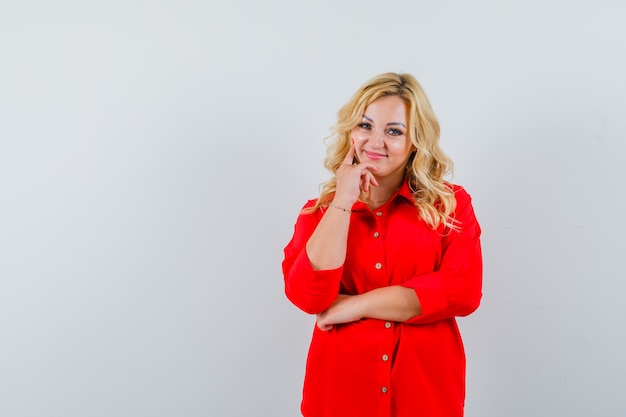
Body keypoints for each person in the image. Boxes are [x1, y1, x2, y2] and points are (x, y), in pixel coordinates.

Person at [282, 72, 482, 417]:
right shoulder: (320, 214)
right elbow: (307, 295)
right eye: (365, 126)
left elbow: (463, 291)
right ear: (350, 132)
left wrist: (354, 306)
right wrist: (343, 200)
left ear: (415, 141)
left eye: (394, 131)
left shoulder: (449, 205)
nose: (375, 142)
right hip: (339, 397)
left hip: (425, 399)